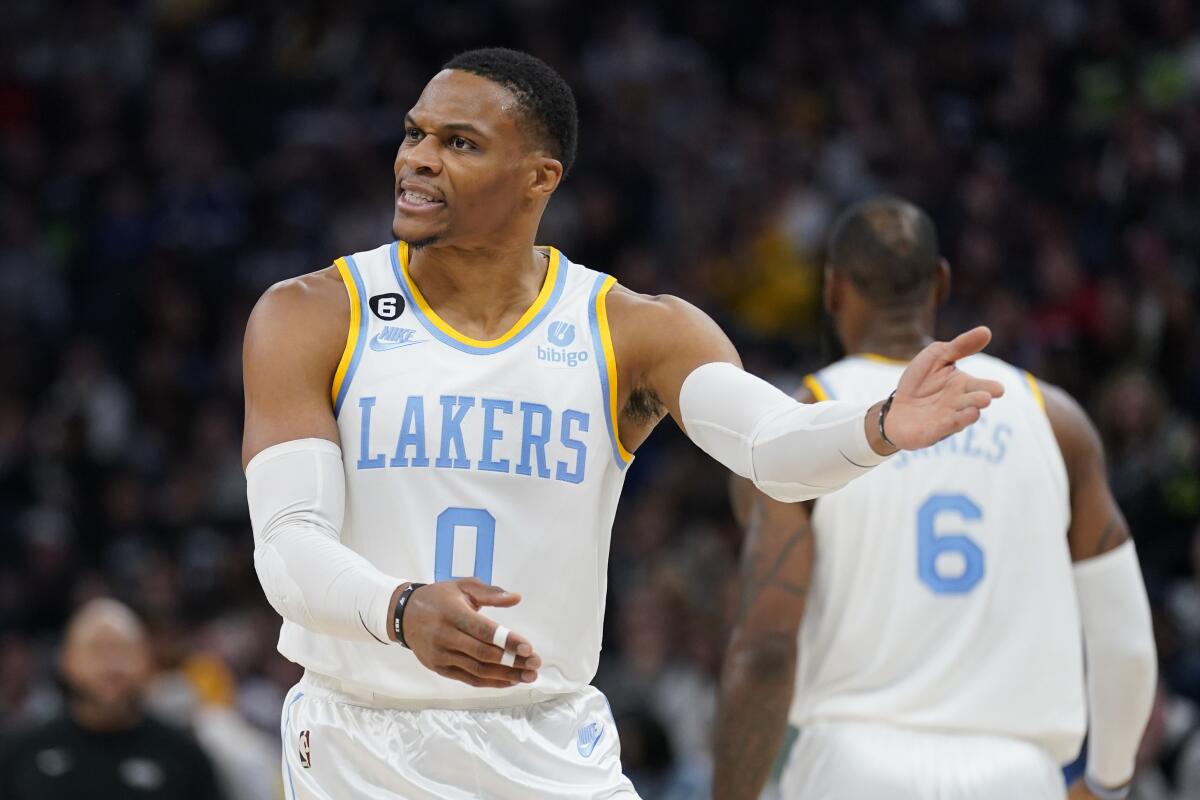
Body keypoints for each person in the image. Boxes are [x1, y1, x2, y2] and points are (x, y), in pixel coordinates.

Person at [241, 50, 1003, 799]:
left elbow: (770, 447)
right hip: (363, 743)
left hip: (550, 738)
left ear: (539, 178)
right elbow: (287, 544)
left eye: (459, 142)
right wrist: (400, 611)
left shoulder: (632, 329)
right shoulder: (312, 313)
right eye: (415, 134)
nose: (419, 159)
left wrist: (877, 425)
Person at [712, 197, 1158, 800]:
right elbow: (1126, 643)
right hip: (1017, 773)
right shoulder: (1054, 420)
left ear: (833, 290)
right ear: (941, 281)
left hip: (853, 766)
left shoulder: (799, 426)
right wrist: (1106, 782)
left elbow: (765, 651)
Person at [0, 599, 223, 800]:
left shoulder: (186, 758)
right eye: (96, 650)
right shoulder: (21, 752)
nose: (110, 666)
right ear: (66, 661)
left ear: (148, 662)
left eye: (123, 650)